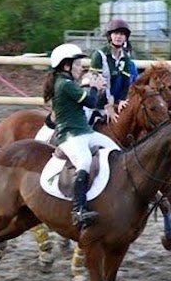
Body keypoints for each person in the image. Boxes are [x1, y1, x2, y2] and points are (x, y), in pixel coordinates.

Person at [44, 43, 119, 229]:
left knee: (115, 149)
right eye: (77, 64)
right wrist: (94, 87)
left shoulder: (69, 84)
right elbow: (91, 101)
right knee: (84, 162)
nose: (81, 68)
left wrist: (99, 89)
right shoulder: (65, 85)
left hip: (85, 132)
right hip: (70, 135)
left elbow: (94, 101)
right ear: (66, 66)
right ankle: (78, 210)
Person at [89, 18, 138, 124]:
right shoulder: (99, 55)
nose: (119, 36)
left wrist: (122, 100)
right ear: (110, 35)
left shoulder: (126, 58)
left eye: (122, 34)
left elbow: (126, 82)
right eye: (116, 33)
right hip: (97, 102)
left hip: (114, 100)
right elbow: (99, 85)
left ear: (126, 38)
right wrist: (108, 106)